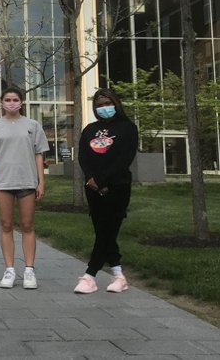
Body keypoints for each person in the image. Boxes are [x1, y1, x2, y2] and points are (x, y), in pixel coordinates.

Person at [0, 87, 49, 289]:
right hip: (3, 181)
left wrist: (41, 181)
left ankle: (29, 270)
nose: (11, 103)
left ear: (22, 102)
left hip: (27, 181)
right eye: (8, 99)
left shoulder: (33, 125)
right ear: (2, 103)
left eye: (15, 99)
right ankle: (9, 270)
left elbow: (39, 154)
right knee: (6, 224)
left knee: (27, 225)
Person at [74, 88, 138, 294]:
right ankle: (119, 277)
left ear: (116, 103)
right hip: (92, 188)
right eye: (99, 105)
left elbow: (124, 159)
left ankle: (89, 276)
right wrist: (92, 179)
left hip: (117, 187)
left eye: (107, 103)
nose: (104, 108)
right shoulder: (90, 129)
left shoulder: (127, 128)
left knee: (107, 231)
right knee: (104, 232)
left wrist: (104, 181)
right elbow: (84, 156)